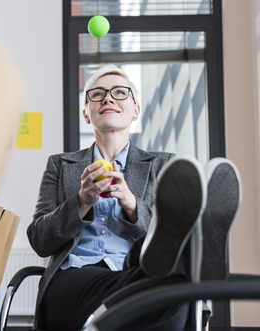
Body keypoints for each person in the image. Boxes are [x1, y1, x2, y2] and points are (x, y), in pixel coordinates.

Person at [27, 64, 242, 331]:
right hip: (74, 282)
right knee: (168, 289)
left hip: (137, 272)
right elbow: (39, 240)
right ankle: (189, 259)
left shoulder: (164, 165)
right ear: (86, 113)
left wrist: (131, 203)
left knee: (159, 286)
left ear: (136, 111)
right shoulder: (61, 165)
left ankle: (173, 259)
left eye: (119, 92)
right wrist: (81, 201)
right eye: (97, 94)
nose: (108, 98)